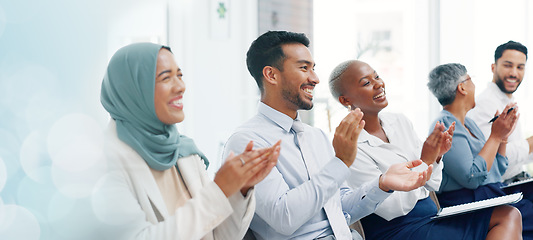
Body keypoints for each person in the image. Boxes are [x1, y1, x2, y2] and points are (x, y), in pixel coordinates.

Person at [223, 30, 433, 240]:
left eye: (313, 69)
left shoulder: (317, 137)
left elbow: (338, 208)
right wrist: (340, 162)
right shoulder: (247, 142)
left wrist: (381, 184)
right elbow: (284, 218)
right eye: (304, 68)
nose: (315, 79)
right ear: (271, 75)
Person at [98, 42, 280, 240]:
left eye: (180, 75)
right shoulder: (103, 163)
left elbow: (219, 236)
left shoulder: (183, 150)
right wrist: (219, 190)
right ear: (132, 89)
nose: (180, 86)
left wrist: (239, 190)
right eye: (166, 78)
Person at [329, 59, 523, 240]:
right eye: (366, 83)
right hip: (398, 229)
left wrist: (437, 157)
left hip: (431, 215)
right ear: (345, 100)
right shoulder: (349, 145)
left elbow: (432, 184)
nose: (379, 84)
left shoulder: (400, 121)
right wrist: (427, 161)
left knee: (509, 214)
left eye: (377, 76)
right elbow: (392, 208)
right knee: (507, 217)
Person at [428, 63, 533, 239]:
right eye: (470, 80)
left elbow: (496, 171)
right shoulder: (446, 125)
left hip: (491, 194)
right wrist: (495, 136)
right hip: (468, 202)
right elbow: (471, 177)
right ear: (462, 87)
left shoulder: (469, 124)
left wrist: (503, 137)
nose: (474, 85)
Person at [467, 40, 533, 185]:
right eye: (508, 65)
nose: (514, 73)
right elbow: (494, 159)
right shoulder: (485, 103)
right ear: (493, 67)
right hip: (502, 187)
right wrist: (531, 143)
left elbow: (518, 157)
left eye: (520, 67)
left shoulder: (507, 101)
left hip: (518, 180)